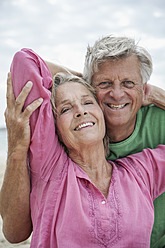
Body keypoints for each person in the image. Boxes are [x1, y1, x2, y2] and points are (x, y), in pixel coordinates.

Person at [1, 48, 165, 248]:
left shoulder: (141, 172)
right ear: (56, 127)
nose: (80, 111)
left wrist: (159, 96)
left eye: (88, 102)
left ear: (102, 113)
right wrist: (87, 81)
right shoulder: (52, 170)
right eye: (66, 109)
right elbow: (24, 61)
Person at [82, 35, 165, 248]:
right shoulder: (78, 127)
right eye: (105, 83)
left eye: (128, 83)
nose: (117, 94)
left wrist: (159, 96)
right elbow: (28, 64)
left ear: (144, 88)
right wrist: (81, 86)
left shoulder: (160, 119)